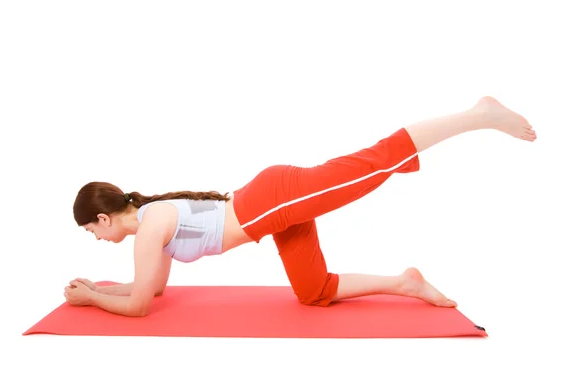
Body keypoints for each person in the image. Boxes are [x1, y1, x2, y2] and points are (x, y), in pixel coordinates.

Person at [65, 96, 536, 317]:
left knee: (375, 164)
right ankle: (405, 283)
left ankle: (478, 115)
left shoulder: (148, 230)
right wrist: (100, 288)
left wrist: (92, 299)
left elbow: (141, 307)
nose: (97, 239)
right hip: (271, 214)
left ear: (104, 218)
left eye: (92, 231)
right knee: (313, 292)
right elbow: (151, 289)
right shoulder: (149, 229)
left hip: (271, 203)